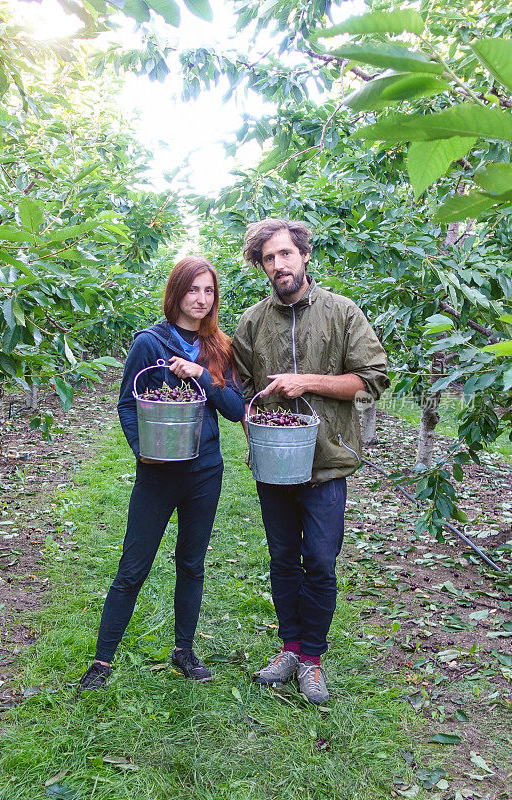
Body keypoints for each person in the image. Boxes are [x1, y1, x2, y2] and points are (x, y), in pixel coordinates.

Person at [232, 219, 389, 704]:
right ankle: (290, 648)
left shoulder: (341, 313)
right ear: (263, 267)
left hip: (327, 462)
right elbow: (240, 390)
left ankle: (313, 659)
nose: (278, 265)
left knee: (319, 561)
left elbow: (373, 377)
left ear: (303, 256)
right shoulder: (253, 322)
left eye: (285, 254)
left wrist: (308, 382)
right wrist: (256, 433)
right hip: (274, 465)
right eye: (268, 259)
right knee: (283, 559)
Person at [78, 256, 244, 692]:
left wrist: (203, 378)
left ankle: (183, 652)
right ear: (177, 292)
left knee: (191, 563)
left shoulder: (219, 348)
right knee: (133, 566)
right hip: (159, 473)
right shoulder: (150, 343)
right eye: (193, 290)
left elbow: (234, 410)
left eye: (209, 291)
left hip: (205, 470)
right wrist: (143, 451)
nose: (201, 300)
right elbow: (127, 404)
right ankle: (102, 661)